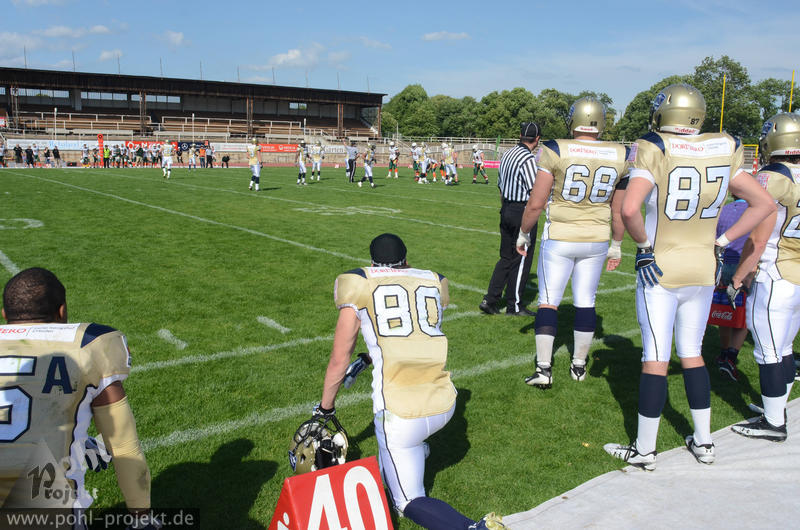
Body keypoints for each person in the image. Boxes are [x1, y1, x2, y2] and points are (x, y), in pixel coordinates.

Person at [603, 83, 775, 470]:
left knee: (655, 357)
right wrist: (723, 241)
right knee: (693, 353)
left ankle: (645, 450)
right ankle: (705, 442)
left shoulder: (653, 146)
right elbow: (763, 203)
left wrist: (643, 246)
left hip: (662, 267)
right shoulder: (723, 145)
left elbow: (629, 210)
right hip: (703, 266)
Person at [312, 233, 507, 530]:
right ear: (406, 261)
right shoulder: (432, 281)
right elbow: (412, 333)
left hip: (400, 413)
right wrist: (370, 356)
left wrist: (325, 409)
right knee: (396, 455)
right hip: (443, 403)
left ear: (372, 263)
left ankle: (473, 528)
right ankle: (419, 450)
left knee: (406, 502)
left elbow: (340, 359)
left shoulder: (359, 283)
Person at [0, 268, 156, 527]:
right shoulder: (89, 345)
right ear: (61, 312)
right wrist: (142, 518)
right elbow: (124, 447)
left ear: (5, 314)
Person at [516, 97, 629, 388]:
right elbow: (619, 211)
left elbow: (536, 203)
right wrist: (617, 245)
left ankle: (544, 369)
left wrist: (524, 232)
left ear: (573, 119)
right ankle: (579, 365)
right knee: (586, 302)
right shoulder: (621, 153)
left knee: (549, 301)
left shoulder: (556, 148)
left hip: (560, 236)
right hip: (597, 238)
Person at [727, 112, 800, 441]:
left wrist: (739, 275)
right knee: (784, 347)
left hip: (775, 271)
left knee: (768, 350)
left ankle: (773, 423)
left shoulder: (774, 177)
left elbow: (757, 237)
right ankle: (776, 407)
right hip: (796, 272)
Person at [479, 122, 541, 316]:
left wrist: (505, 208)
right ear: (537, 139)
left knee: (506, 257)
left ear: (520, 135)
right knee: (521, 258)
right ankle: (515, 305)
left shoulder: (507, 154)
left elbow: (500, 185)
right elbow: (534, 191)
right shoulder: (528, 159)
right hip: (521, 211)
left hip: (506, 207)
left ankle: (490, 299)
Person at [712, 196, 751, 381]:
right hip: (742, 265)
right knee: (744, 316)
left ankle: (724, 352)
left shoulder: (724, 209)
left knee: (724, 312)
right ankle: (731, 357)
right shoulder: (753, 210)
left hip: (723, 263)